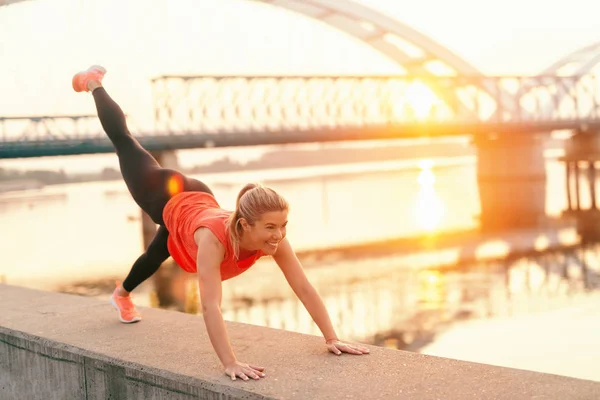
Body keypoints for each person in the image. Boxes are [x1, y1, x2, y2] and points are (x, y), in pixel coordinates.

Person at [72, 65, 370, 382]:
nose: (279, 235)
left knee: (156, 254)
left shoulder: (275, 239)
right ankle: (93, 83)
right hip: (163, 194)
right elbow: (211, 306)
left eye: (283, 225)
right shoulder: (212, 242)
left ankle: (121, 293)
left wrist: (331, 338)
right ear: (244, 225)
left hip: (201, 197)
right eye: (270, 227)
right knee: (125, 141)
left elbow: (303, 287)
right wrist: (230, 363)